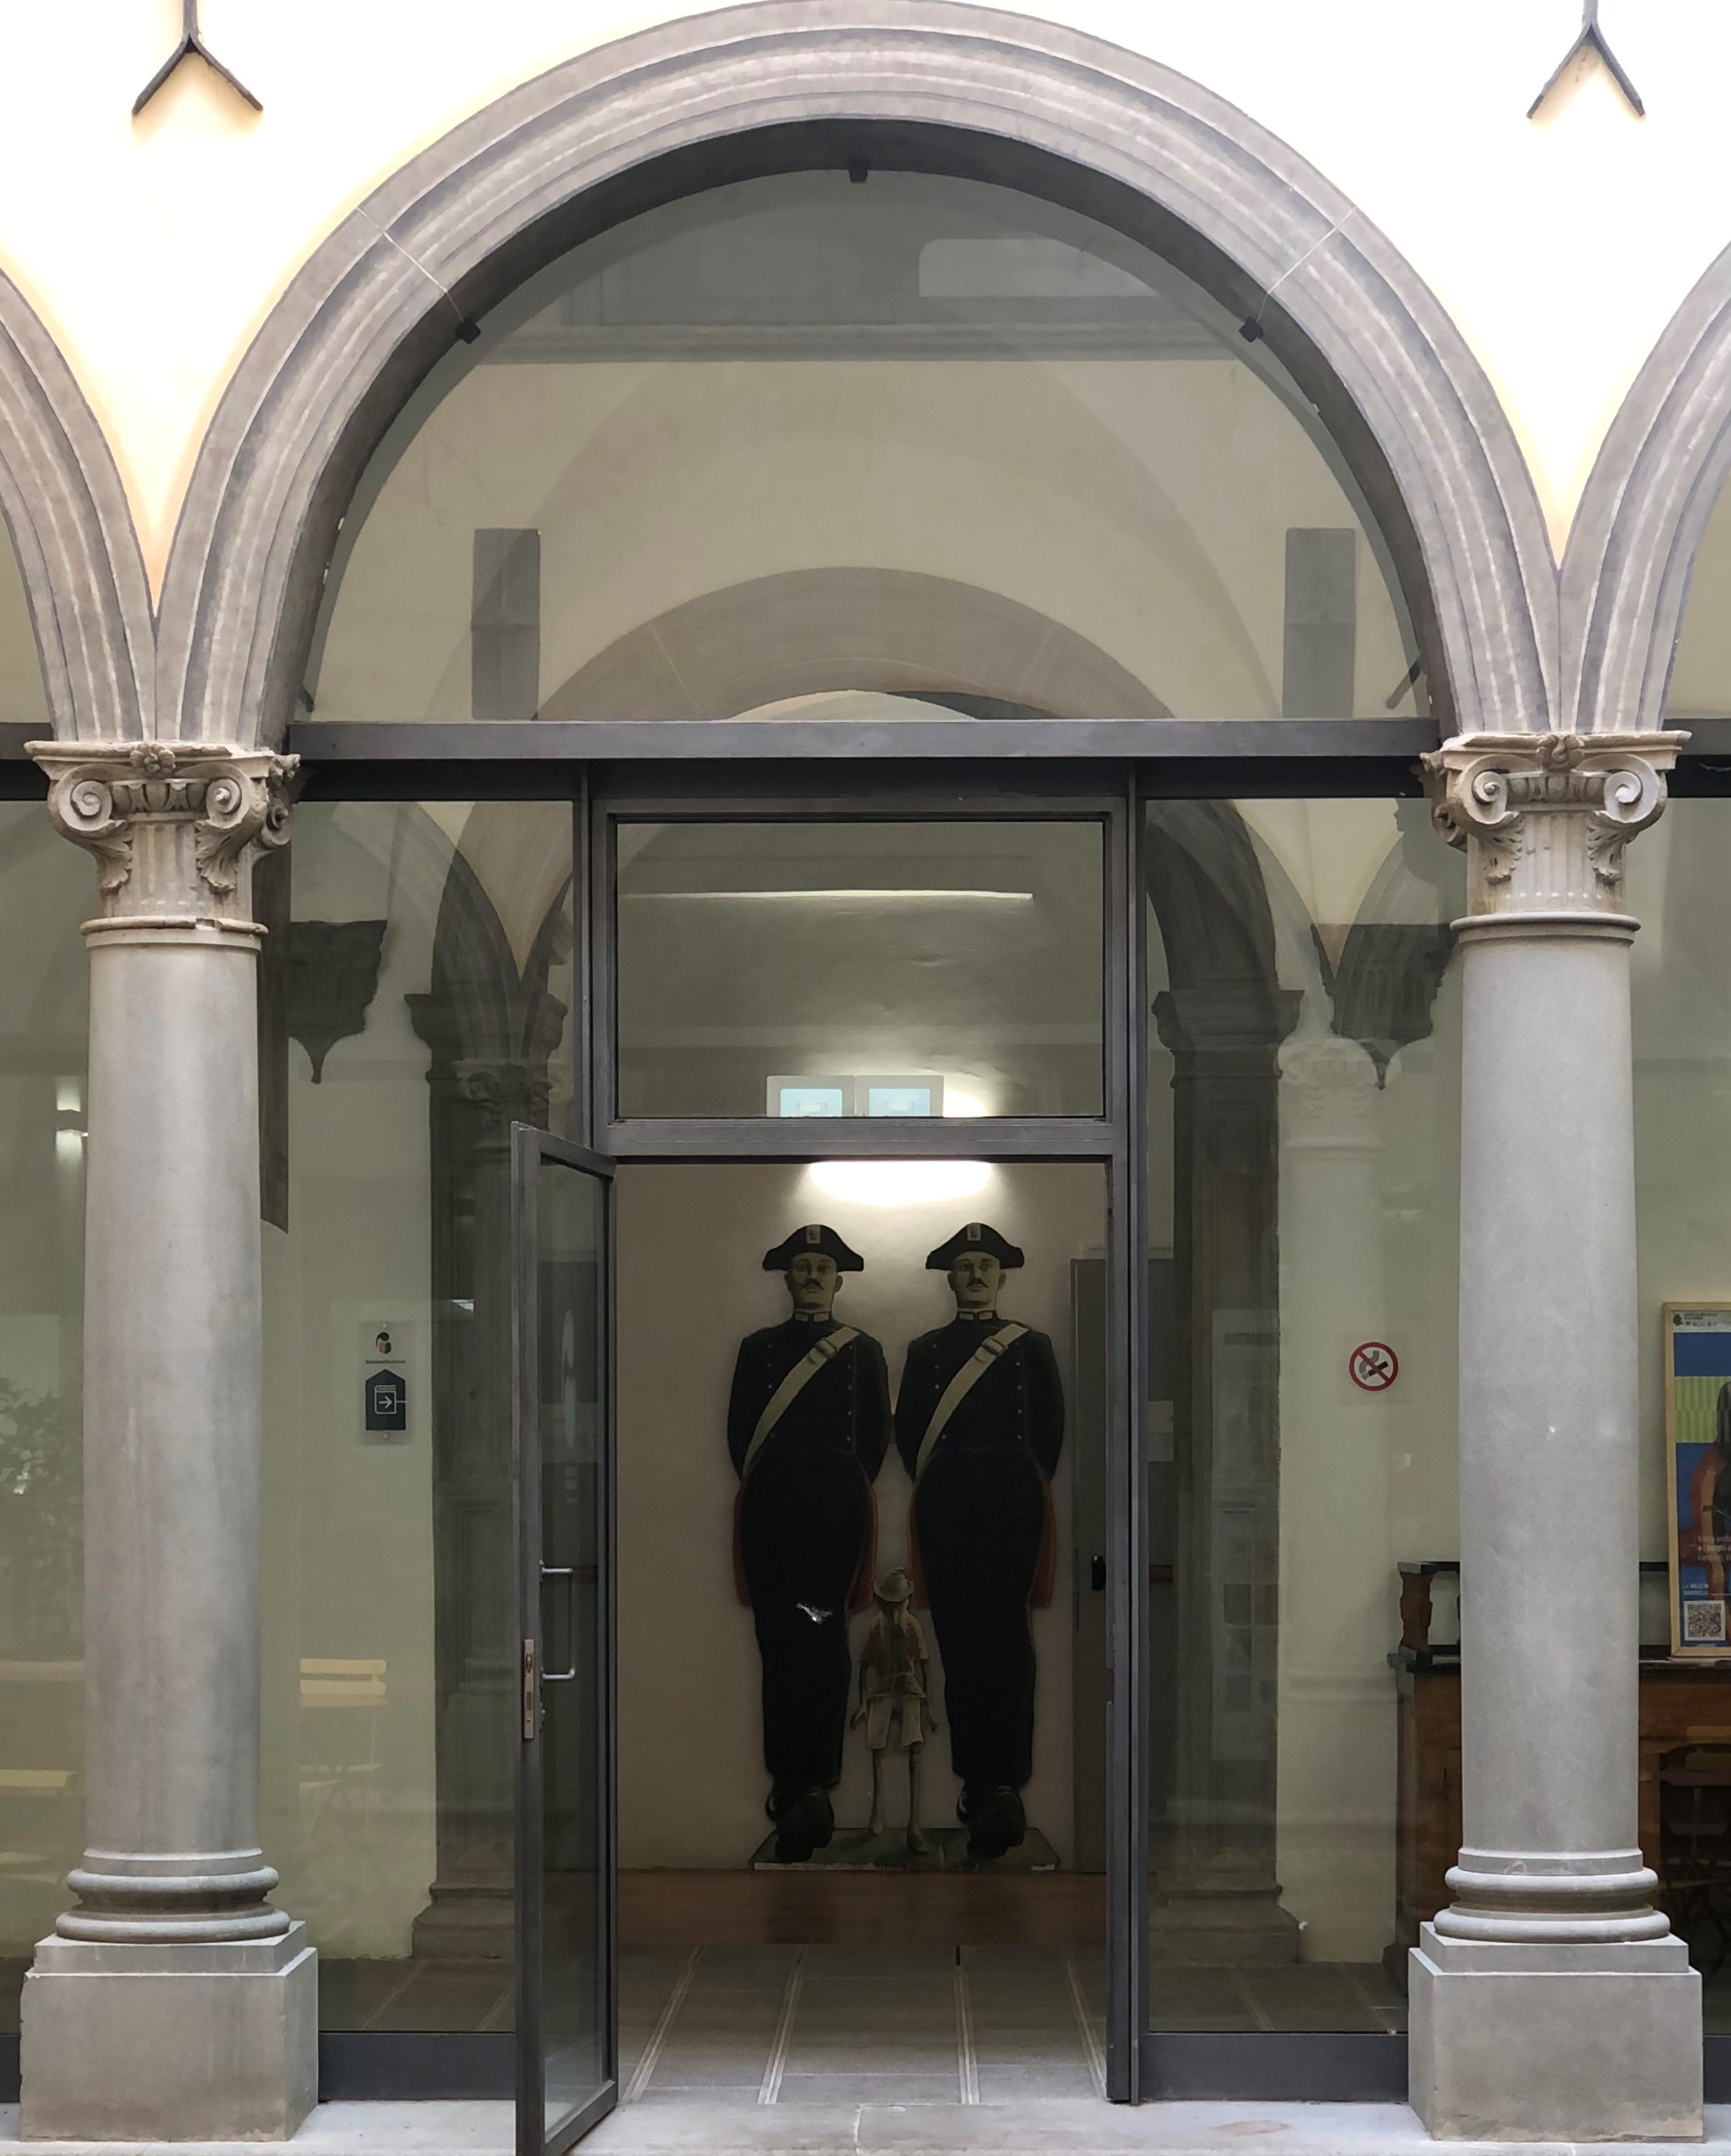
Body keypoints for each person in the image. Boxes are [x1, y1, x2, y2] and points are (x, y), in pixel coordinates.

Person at [895, 1222, 1064, 1861]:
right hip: (948, 1510)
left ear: (1000, 1276)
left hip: (1011, 1508)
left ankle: (1005, 1779)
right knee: (959, 1644)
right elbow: (909, 1434)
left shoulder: (1031, 1347)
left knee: (1011, 1643)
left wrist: (1011, 1485)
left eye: (984, 1266)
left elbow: (1047, 1433)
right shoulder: (926, 1350)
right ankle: (974, 1776)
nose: (974, 1276)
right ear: (949, 1277)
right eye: (964, 1265)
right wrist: (952, 1486)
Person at [728, 1224, 890, 1862]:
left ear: (838, 1280)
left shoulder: (863, 1351)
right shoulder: (758, 1349)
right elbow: (741, 1436)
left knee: (825, 1643)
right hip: (773, 1517)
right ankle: (787, 1778)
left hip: (834, 1519)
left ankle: (819, 1778)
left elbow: (873, 1441)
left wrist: (832, 1489)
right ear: (788, 1278)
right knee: (777, 1645)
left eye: (823, 1268)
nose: (813, 1277)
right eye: (803, 1268)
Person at [852, 1567, 936, 1854]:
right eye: (890, 1604)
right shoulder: (876, 1626)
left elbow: (923, 1665)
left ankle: (914, 1822)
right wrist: (863, 1704)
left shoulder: (912, 1626)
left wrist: (928, 1705)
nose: (894, 1609)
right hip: (883, 1687)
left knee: (914, 1748)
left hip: (908, 1686)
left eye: (898, 1603)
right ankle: (876, 1809)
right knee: (877, 1747)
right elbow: (864, 1667)